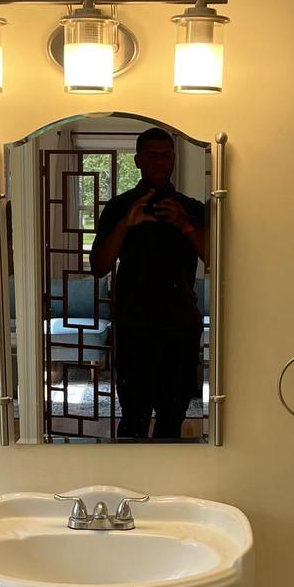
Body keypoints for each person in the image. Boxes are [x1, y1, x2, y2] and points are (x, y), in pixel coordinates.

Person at [90, 127, 207, 440]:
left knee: (173, 415)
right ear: (138, 160)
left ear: (174, 158)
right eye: (152, 156)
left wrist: (185, 225)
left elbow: (217, 259)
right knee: (133, 416)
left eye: (166, 155)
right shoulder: (119, 208)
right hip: (134, 327)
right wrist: (126, 225)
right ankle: (131, 484)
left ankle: (166, 486)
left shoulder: (192, 208)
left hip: (181, 325)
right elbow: (98, 267)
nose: (160, 163)